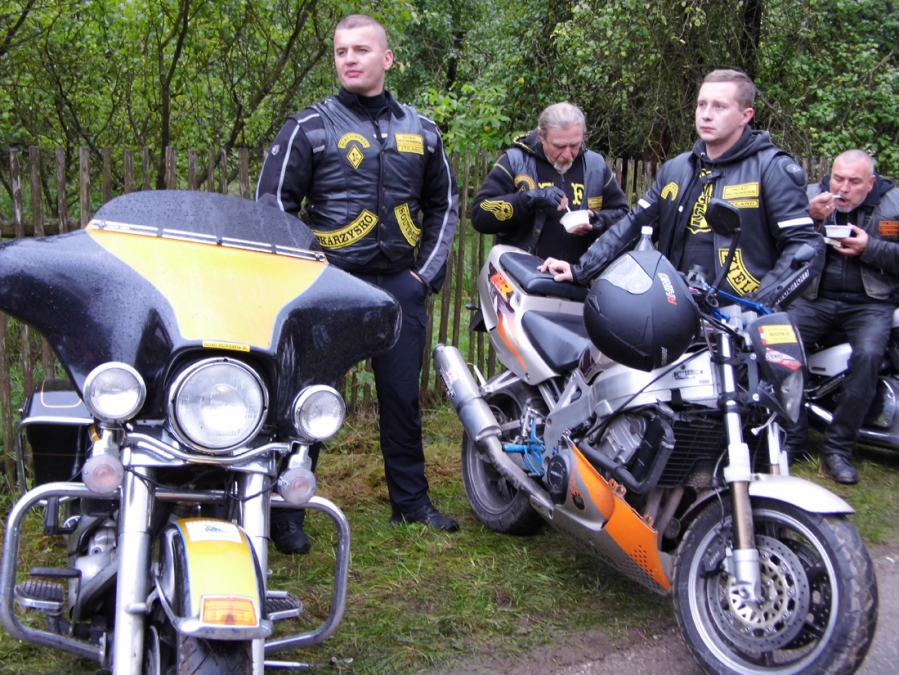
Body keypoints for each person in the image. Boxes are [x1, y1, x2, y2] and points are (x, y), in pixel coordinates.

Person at [255, 14, 460, 553]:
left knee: (402, 398)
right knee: (306, 398)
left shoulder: (423, 130)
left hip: (399, 286)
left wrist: (422, 277)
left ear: (387, 59)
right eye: (341, 50)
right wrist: (307, 275)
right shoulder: (308, 127)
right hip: (329, 286)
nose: (349, 58)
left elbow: (445, 205)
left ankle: (411, 504)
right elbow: (273, 207)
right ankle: (286, 510)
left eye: (361, 49)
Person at [539, 69, 822, 312]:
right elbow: (634, 226)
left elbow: (804, 248)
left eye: (719, 107)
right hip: (676, 312)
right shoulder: (676, 169)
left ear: (745, 115)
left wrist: (758, 308)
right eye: (701, 104)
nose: (706, 115)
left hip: (739, 322)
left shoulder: (773, 169)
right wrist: (580, 269)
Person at [783, 149, 899, 484]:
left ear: (871, 183)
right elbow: (777, 242)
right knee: (779, 346)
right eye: (838, 179)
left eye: (854, 182)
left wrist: (870, 248)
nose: (843, 188)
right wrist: (809, 218)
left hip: (871, 302)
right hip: (814, 298)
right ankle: (794, 436)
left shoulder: (893, 205)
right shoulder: (809, 198)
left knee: (869, 355)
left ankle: (838, 447)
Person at [470, 102, 629, 263]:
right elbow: (479, 215)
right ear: (541, 136)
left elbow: (623, 214)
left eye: (575, 145)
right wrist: (530, 199)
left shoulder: (596, 166)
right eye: (559, 146)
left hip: (577, 275)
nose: (567, 155)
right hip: (521, 273)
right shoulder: (515, 162)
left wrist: (601, 221)